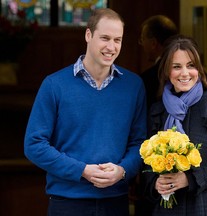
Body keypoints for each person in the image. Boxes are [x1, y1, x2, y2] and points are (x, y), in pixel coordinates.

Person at [24, 8, 147, 216]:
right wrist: (82, 170)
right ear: (88, 35)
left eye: (117, 40)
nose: (111, 47)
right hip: (67, 203)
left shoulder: (133, 86)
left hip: (115, 202)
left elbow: (141, 143)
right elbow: (34, 145)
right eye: (105, 38)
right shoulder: (55, 85)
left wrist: (122, 170)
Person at [142, 35, 207, 215]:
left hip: (205, 207)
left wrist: (190, 179)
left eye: (191, 65)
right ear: (167, 71)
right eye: (176, 67)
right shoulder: (157, 109)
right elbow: (147, 164)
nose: (184, 73)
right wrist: (154, 183)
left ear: (199, 68)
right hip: (165, 210)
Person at [139, 15, 178, 110]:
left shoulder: (148, 79)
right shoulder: (195, 71)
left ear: (153, 44)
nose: (141, 44)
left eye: (143, 39)